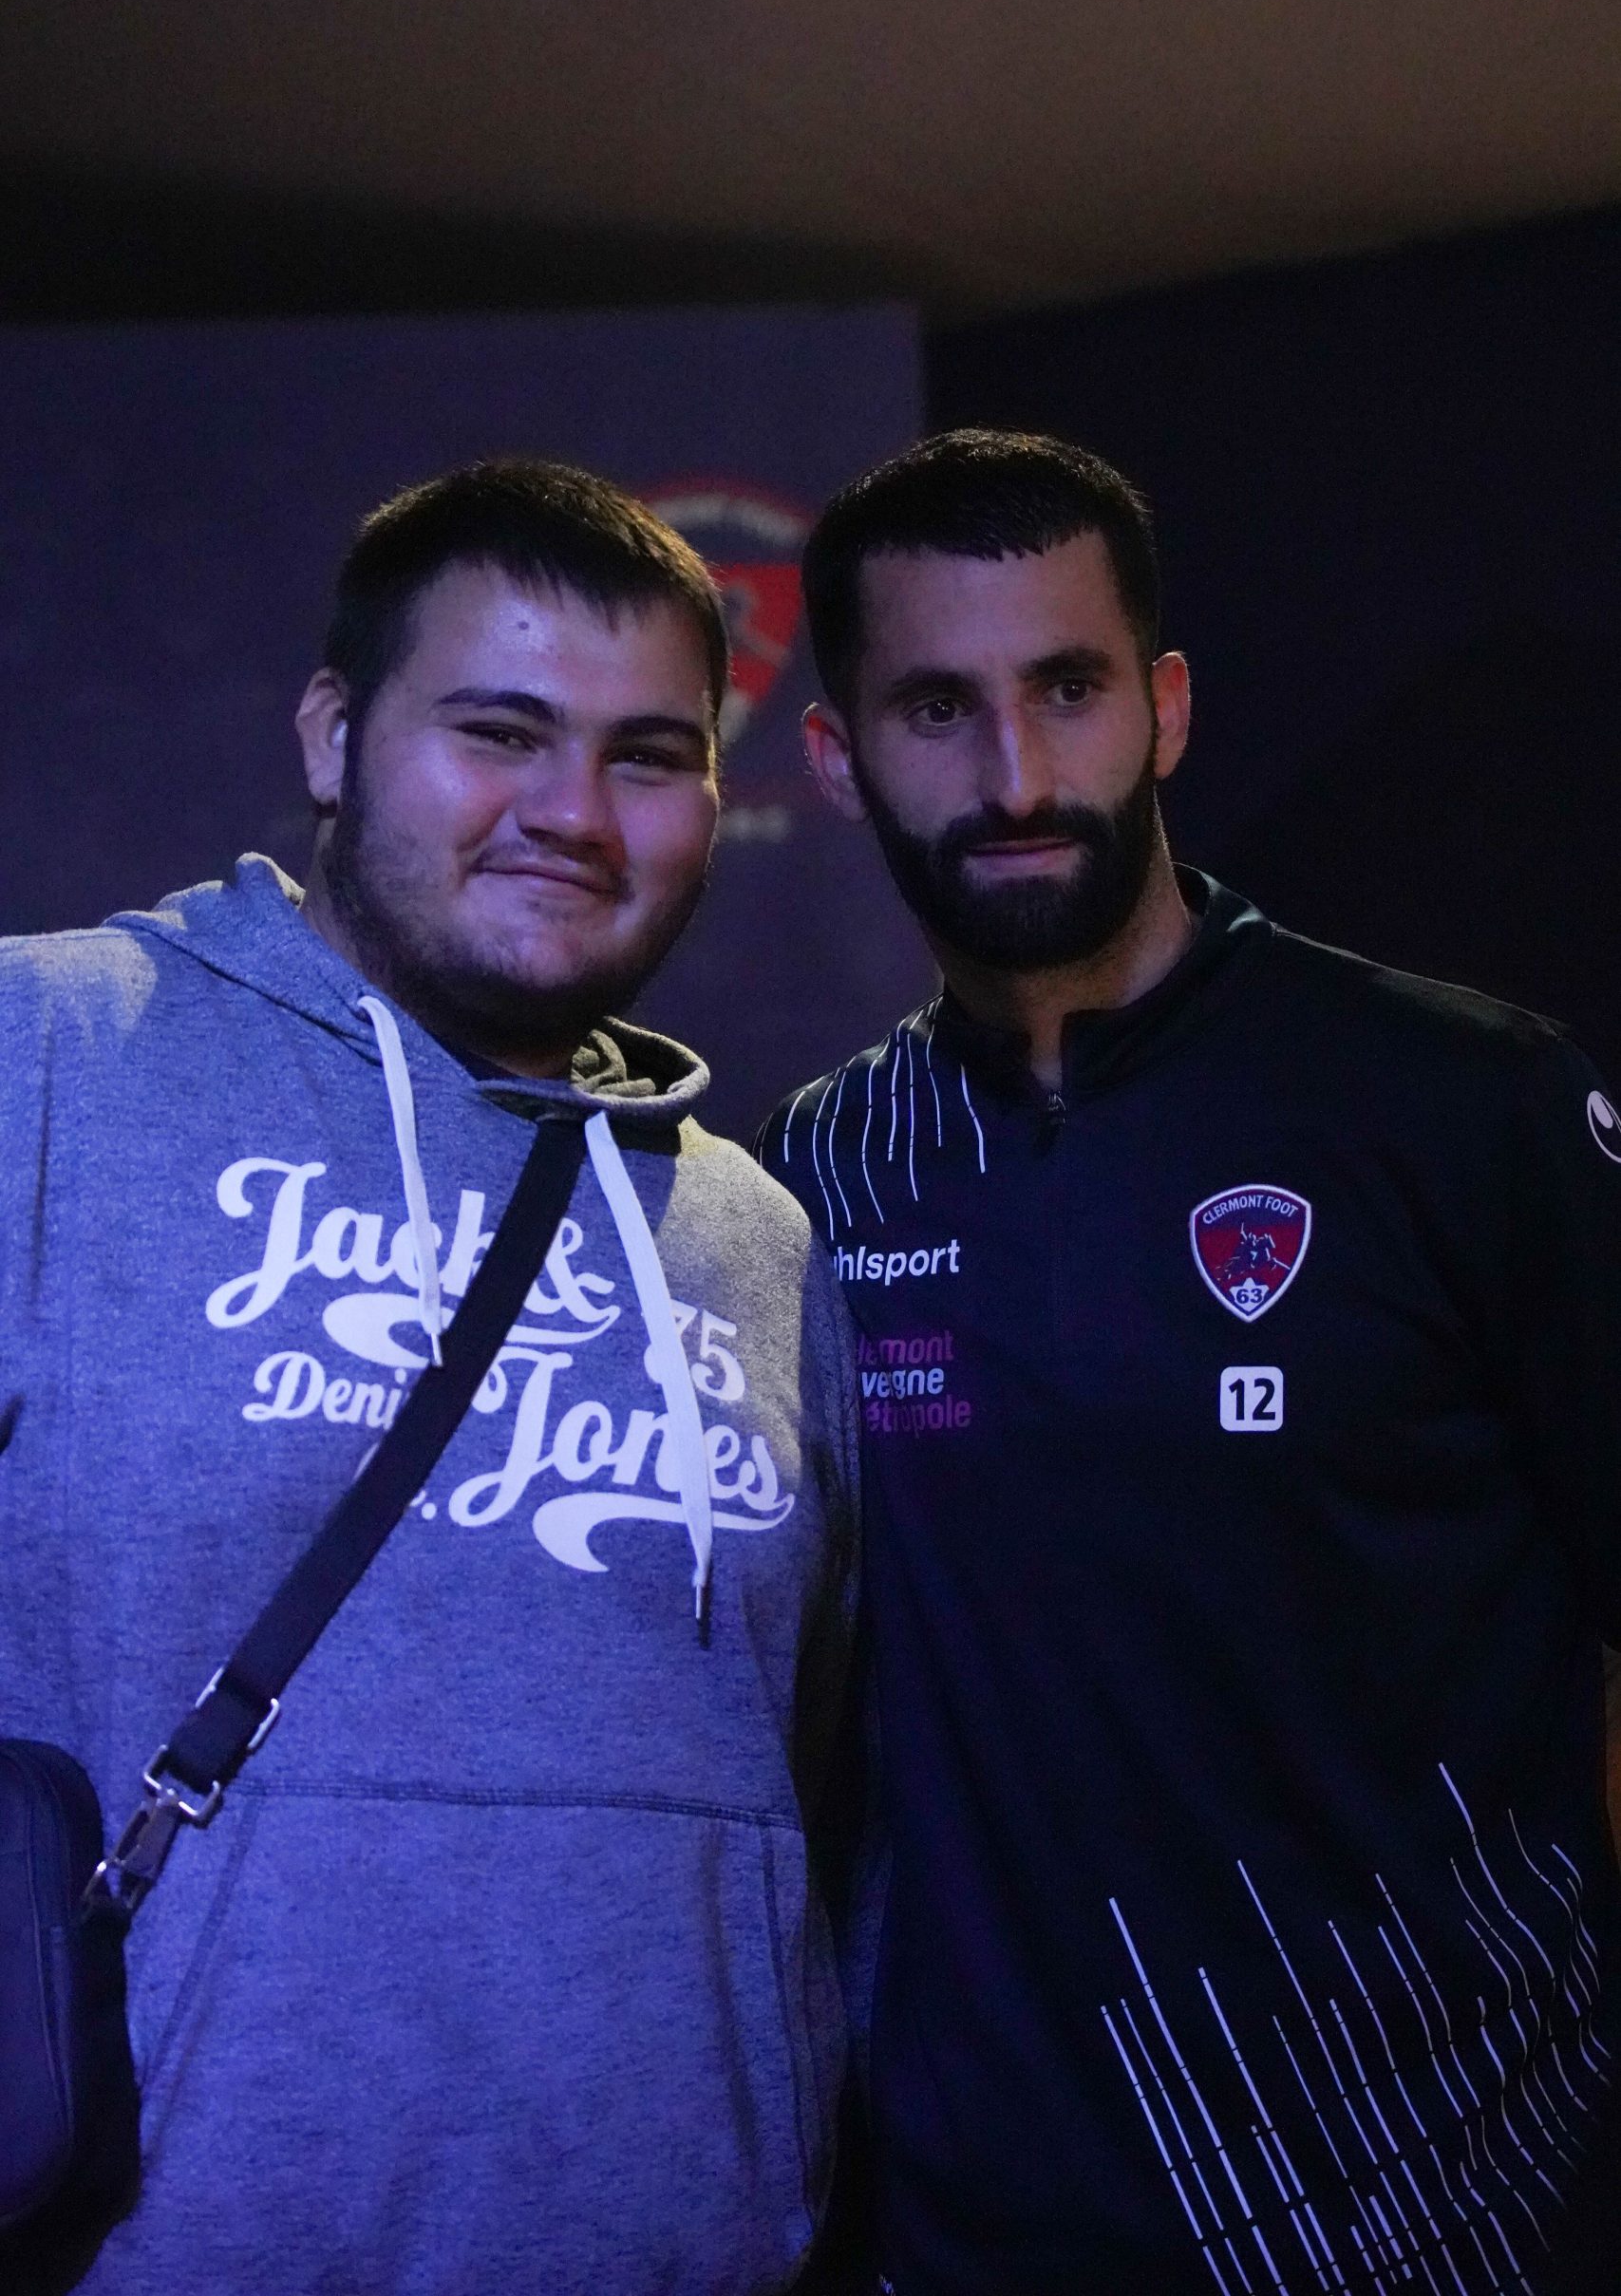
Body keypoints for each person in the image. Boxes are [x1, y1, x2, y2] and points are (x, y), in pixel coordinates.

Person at [757, 428, 1621, 2295]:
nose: (1011, 773)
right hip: (963, 2233)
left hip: (1449, 2209)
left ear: (1159, 706)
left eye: (1062, 688)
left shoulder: (1462, 1103)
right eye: (931, 706)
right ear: (832, 759)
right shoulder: (808, 1176)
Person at [0, 459, 860, 2295]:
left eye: (650, 754)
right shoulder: (48, 1053)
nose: (575, 812)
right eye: (499, 731)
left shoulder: (756, 1238)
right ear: (331, 736)